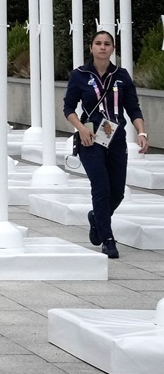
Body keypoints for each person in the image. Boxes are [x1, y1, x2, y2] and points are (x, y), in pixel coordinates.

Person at [64, 29, 148, 260]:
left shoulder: (121, 76)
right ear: (91, 48)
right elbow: (69, 108)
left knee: (117, 192)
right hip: (90, 139)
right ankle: (108, 239)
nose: (102, 47)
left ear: (112, 49)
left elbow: (133, 108)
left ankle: (96, 218)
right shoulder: (80, 75)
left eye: (107, 44)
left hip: (116, 139)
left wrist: (141, 132)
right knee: (100, 187)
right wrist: (81, 129)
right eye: (98, 43)